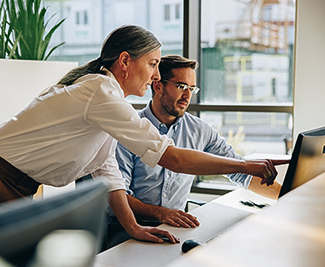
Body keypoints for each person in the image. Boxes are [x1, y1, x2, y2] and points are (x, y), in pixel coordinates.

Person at [0, 25, 287, 245]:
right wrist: (245, 166)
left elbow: (107, 173)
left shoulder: (106, 99)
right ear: (125, 62)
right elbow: (171, 158)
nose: (155, 75)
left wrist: (133, 228)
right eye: (152, 64)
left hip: (8, 182)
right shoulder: (101, 92)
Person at [110, 55, 283, 235]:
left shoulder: (199, 131)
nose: (187, 96)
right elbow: (118, 194)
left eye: (192, 88)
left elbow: (241, 173)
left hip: (174, 227)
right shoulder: (128, 130)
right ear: (158, 86)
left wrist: (288, 197)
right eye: (181, 86)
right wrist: (161, 214)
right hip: (129, 228)